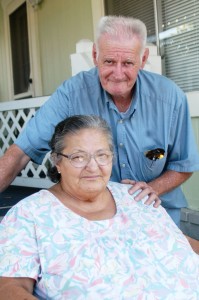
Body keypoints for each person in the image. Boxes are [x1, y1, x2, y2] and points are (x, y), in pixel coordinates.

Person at [0, 16, 199, 227]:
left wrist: (153, 188)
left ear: (143, 59)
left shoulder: (170, 98)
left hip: (156, 211)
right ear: (95, 55)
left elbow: (183, 164)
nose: (118, 73)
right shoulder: (71, 95)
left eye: (128, 63)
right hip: (92, 216)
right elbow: (20, 153)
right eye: (109, 62)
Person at [0, 115, 198, 300]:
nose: (93, 167)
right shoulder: (29, 214)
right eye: (78, 157)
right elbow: (9, 288)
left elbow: (179, 241)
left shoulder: (136, 196)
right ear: (57, 161)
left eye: (102, 155)